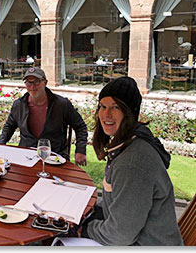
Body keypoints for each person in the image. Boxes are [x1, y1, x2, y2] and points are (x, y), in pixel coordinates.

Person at [78, 76, 183, 245]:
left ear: (129, 113)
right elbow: (121, 204)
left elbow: (119, 236)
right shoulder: (130, 143)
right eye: (103, 106)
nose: (106, 114)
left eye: (115, 107)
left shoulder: (132, 163)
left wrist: (85, 229)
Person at [0, 67, 88, 165]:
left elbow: (80, 126)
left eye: (37, 82)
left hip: (55, 157)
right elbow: (9, 126)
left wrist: (81, 150)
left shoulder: (61, 104)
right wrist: (0, 145)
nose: (32, 86)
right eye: (28, 82)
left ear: (45, 82)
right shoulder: (19, 105)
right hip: (26, 156)